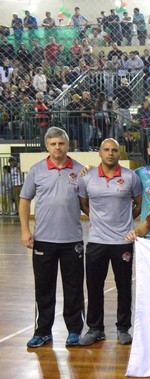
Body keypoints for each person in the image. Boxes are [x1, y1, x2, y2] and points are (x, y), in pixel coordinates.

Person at [20, 128, 86, 348]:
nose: (58, 147)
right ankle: (42, 331)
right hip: (44, 240)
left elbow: (87, 203)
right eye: (53, 144)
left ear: (68, 145)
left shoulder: (79, 170)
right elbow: (24, 200)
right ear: (47, 146)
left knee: (74, 288)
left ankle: (74, 330)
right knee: (44, 288)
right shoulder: (36, 170)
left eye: (61, 143)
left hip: (72, 241)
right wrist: (25, 230)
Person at [78, 139, 142, 346]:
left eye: (114, 150)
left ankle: (123, 328)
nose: (110, 153)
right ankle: (95, 329)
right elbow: (84, 204)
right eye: (106, 150)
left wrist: (124, 223)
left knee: (124, 286)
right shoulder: (87, 177)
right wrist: (98, 220)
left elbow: (139, 205)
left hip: (123, 242)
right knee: (94, 286)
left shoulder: (130, 177)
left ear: (119, 153)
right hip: (96, 241)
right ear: (100, 152)